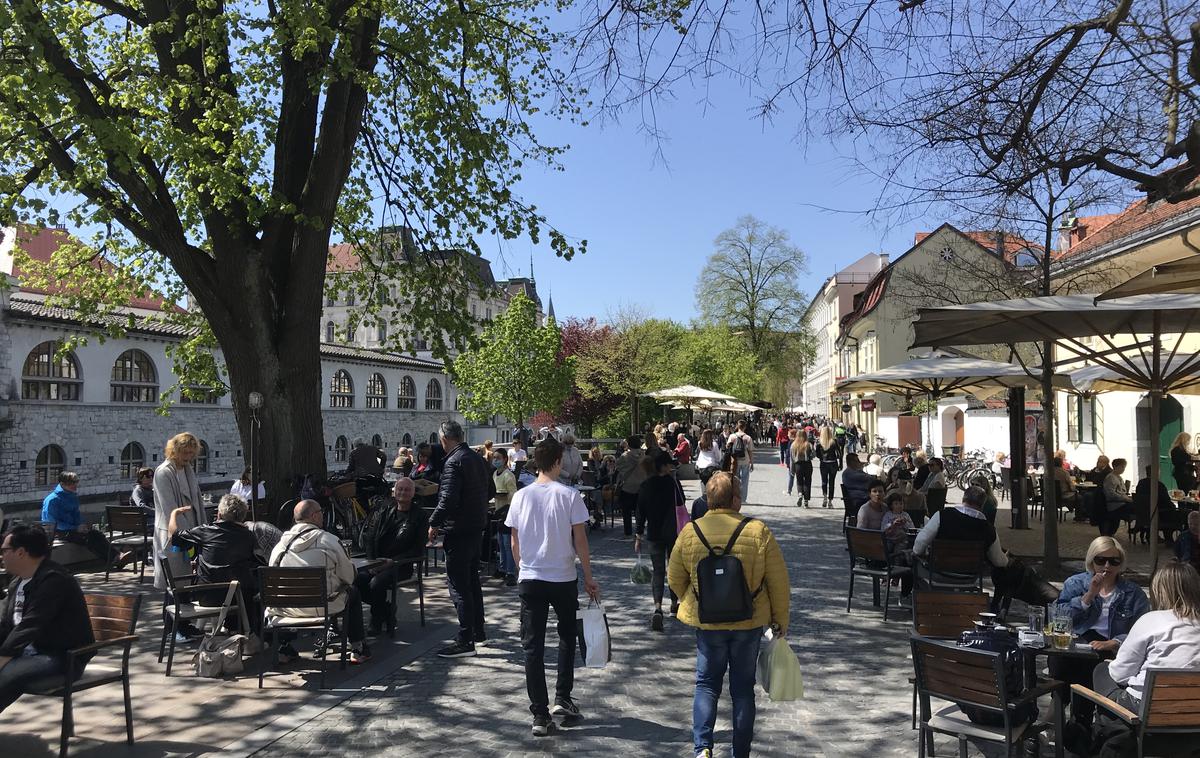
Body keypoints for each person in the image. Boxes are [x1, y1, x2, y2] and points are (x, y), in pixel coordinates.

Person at [668, 472, 790, 758]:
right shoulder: (758, 530)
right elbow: (778, 581)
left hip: (708, 622)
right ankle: (741, 752)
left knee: (707, 684)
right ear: (736, 499)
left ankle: (703, 749)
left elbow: (674, 577)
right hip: (748, 622)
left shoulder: (690, 531)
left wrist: (695, 597)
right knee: (743, 690)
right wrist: (780, 619)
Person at [505, 437, 600, 736]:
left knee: (532, 646)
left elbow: (514, 540)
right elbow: (580, 540)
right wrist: (588, 576)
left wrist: (522, 568)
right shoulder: (570, 496)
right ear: (558, 461)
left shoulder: (521, 496)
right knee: (566, 637)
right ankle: (563, 696)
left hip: (531, 577)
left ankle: (539, 713)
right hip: (562, 577)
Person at [1085, 561, 1200, 758]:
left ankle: (1103, 733)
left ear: (1159, 591)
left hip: (1147, 712)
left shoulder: (1152, 620)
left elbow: (1120, 673)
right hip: (1193, 716)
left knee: (1102, 671)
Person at [1054, 536, 1150, 726]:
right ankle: (1076, 723)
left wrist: (1116, 642)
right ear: (1092, 561)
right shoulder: (1076, 583)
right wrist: (1088, 596)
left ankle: (1074, 723)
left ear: (1121, 564)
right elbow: (1059, 619)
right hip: (1078, 646)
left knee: (1089, 665)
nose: (1107, 566)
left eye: (1114, 561)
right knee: (1065, 661)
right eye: (1101, 560)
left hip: (1112, 649)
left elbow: (1142, 629)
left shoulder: (1133, 593)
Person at [0, 526, 94, 714]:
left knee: (7, 674)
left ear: (20, 552)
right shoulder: (18, 582)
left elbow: (30, 625)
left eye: (4, 551)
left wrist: (2, 658)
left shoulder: (54, 580)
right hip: (28, 651)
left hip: (62, 656)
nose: (1, 556)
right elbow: (4, 623)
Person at [269, 500, 370, 664]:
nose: (323, 515)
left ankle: (284, 647)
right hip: (322, 606)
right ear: (314, 516)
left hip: (286, 609)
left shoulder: (280, 546)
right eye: (321, 512)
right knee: (353, 592)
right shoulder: (329, 540)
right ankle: (358, 647)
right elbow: (348, 577)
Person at [428, 419, 493, 658]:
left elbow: (447, 499)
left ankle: (465, 639)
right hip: (476, 526)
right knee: (472, 582)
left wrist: (433, 523)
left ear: (444, 438)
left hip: (459, 529)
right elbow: (491, 491)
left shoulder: (454, 462)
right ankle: (478, 631)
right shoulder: (476, 458)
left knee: (458, 585)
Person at [169, 494, 259, 623]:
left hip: (207, 595)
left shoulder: (206, 531)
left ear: (219, 514)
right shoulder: (249, 535)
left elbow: (173, 537)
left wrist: (173, 514)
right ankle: (240, 632)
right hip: (238, 596)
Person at [356, 478, 429, 635]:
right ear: (394, 491)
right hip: (376, 561)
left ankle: (376, 620)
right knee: (356, 579)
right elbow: (370, 537)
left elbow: (418, 549)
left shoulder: (420, 516)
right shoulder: (383, 509)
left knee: (377, 583)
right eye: (400, 489)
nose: (403, 493)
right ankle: (387, 609)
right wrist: (373, 562)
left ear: (413, 493)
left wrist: (392, 562)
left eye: (407, 490)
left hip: (401, 564)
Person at [152, 432, 207, 591]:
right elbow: (170, 508)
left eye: (191, 453)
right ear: (175, 450)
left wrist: (202, 531)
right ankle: (170, 615)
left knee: (188, 584)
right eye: (185, 452)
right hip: (174, 535)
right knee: (174, 586)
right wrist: (188, 534)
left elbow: (197, 501)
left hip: (192, 532)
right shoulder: (163, 472)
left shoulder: (188, 469)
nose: (188, 456)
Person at [636, 451, 682, 632]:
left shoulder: (646, 485)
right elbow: (682, 502)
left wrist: (638, 535)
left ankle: (657, 607)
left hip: (654, 533)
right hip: (672, 533)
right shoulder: (673, 483)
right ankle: (674, 603)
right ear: (663, 466)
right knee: (673, 568)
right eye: (669, 464)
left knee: (658, 571)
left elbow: (640, 512)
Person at [40, 471, 118, 566]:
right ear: (62, 484)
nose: (75, 485)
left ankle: (117, 556)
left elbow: (76, 514)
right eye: (71, 483)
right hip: (59, 532)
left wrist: (82, 525)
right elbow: (52, 522)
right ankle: (114, 559)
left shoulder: (72, 497)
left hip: (73, 529)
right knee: (89, 539)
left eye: (75, 483)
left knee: (96, 534)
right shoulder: (52, 500)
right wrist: (75, 528)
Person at [491, 449, 518, 585]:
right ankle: (502, 567)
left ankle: (511, 571)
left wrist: (502, 496)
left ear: (505, 459)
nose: (495, 460)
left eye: (498, 458)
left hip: (507, 512)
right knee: (501, 543)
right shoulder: (495, 474)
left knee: (508, 544)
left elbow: (513, 495)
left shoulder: (509, 475)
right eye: (494, 458)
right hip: (497, 511)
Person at [1133, 465, 1179, 544]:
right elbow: (1166, 501)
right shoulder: (1158, 485)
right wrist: (1174, 507)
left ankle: (1151, 534)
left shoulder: (1141, 483)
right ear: (1157, 472)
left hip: (1143, 513)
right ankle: (1169, 539)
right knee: (1175, 515)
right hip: (1158, 513)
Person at [615, 435, 648, 538]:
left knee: (626, 511)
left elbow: (618, 467)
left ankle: (628, 531)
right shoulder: (644, 456)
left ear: (629, 444)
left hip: (627, 486)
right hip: (642, 486)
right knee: (640, 511)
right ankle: (640, 530)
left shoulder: (625, 456)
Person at [1102, 458, 1135, 537]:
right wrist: (1125, 498)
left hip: (1121, 503)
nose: (1123, 469)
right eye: (1122, 467)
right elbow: (1110, 494)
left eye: (1124, 467)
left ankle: (1139, 526)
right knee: (1137, 507)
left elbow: (1122, 492)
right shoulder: (1111, 478)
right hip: (1115, 505)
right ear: (1116, 467)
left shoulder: (1119, 477)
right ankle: (1139, 526)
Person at [724, 420, 754, 504]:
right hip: (745, 461)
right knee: (745, 480)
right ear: (745, 427)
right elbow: (750, 451)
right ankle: (743, 499)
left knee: (735, 480)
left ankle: (735, 498)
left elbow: (727, 447)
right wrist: (752, 463)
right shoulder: (748, 438)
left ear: (737, 426)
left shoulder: (732, 436)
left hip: (735, 461)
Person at [816, 426, 840, 508]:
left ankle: (825, 497)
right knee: (832, 482)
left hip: (824, 463)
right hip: (833, 463)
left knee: (824, 481)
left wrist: (822, 458)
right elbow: (839, 454)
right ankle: (830, 501)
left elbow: (817, 454)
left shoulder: (819, 442)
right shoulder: (834, 441)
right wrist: (840, 464)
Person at [791, 432, 816, 508]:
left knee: (799, 480)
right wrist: (810, 457)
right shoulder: (808, 444)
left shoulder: (793, 445)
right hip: (807, 464)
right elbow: (814, 454)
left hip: (798, 465)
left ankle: (800, 494)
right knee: (807, 482)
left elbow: (792, 457)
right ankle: (806, 501)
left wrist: (792, 469)